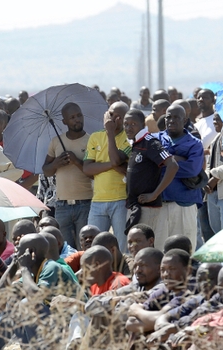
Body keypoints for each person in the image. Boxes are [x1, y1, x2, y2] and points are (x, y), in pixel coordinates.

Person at [43, 102, 92, 249]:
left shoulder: (91, 141)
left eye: (79, 115)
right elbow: (46, 170)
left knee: (85, 248)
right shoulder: (56, 142)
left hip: (85, 203)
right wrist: (56, 163)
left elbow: (94, 173)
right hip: (62, 205)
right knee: (64, 249)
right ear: (64, 121)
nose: (77, 119)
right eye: (72, 117)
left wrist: (76, 161)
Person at [123, 109, 179, 237]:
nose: (128, 128)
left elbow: (173, 165)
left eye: (133, 124)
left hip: (148, 208)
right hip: (135, 207)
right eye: (126, 124)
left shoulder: (150, 142)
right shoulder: (135, 143)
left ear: (143, 125)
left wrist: (154, 194)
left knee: (147, 250)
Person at [84, 101, 131, 253]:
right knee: (94, 247)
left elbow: (116, 159)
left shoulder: (129, 137)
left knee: (122, 247)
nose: (113, 120)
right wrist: (116, 166)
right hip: (98, 201)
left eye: (119, 117)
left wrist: (110, 133)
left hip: (121, 200)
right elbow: (87, 168)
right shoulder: (95, 137)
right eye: (111, 115)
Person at [157, 104, 202, 246]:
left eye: (176, 117)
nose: (171, 120)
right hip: (159, 205)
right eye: (168, 117)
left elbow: (192, 169)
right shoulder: (154, 140)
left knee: (184, 252)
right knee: (158, 251)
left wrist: (164, 163)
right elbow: (148, 166)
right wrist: (176, 160)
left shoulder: (195, 144)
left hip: (184, 204)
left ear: (185, 120)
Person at [125, 249, 191, 334]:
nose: (166, 274)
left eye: (172, 269)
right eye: (163, 270)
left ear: (188, 270)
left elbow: (161, 321)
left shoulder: (189, 293)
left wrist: (137, 311)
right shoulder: (165, 289)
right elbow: (130, 323)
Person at [204, 114, 223, 236]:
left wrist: (215, 177)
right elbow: (209, 164)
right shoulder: (216, 138)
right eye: (214, 119)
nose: (215, 121)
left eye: (219, 118)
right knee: (217, 232)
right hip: (212, 193)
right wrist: (207, 179)